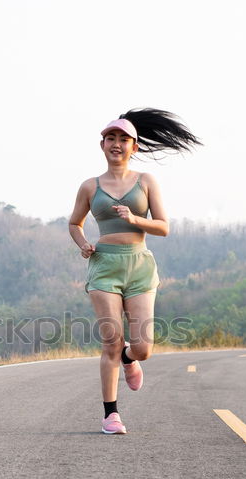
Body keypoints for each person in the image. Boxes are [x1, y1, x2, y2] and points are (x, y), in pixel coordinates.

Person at [68, 108, 201, 434]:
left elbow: (163, 227)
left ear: (134, 147)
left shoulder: (146, 182)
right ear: (102, 145)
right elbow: (74, 223)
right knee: (111, 341)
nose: (116, 144)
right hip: (104, 267)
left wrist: (133, 219)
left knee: (143, 347)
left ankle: (130, 359)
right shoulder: (90, 186)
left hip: (139, 266)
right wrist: (83, 243)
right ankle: (110, 414)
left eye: (123, 139)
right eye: (110, 138)